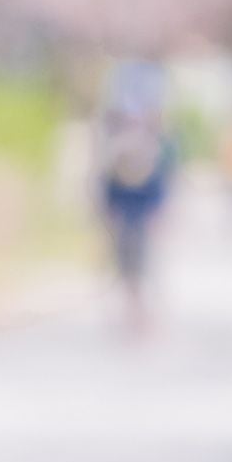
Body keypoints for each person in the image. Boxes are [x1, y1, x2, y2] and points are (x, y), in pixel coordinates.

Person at [92, 59, 177, 337]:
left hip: (141, 218)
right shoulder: (116, 151)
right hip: (124, 218)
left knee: (144, 268)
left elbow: (158, 187)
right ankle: (133, 313)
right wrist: (107, 212)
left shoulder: (153, 149)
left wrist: (159, 212)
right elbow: (108, 187)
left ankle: (143, 315)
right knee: (126, 270)